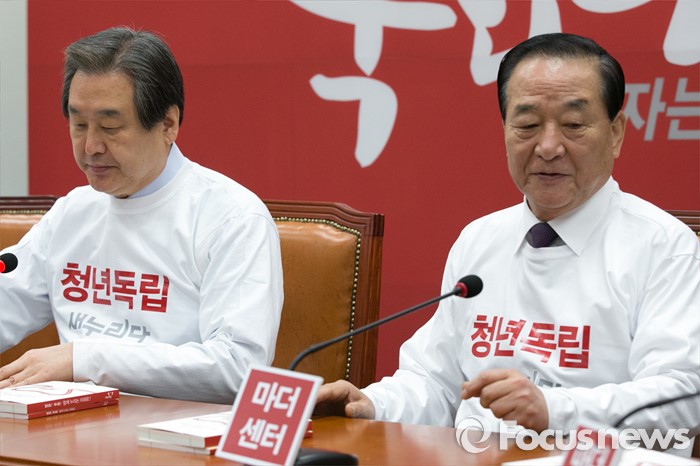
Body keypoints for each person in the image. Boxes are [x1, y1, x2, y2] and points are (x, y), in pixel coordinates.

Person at [315, 33, 700, 449]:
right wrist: (372, 404)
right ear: (505, 131)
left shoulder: (664, 247)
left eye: (573, 125)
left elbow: (682, 395)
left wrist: (553, 410)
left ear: (616, 133)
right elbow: (435, 383)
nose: (548, 147)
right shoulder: (480, 239)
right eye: (528, 126)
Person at [0, 27, 284, 404]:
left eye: (110, 127)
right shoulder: (73, 212)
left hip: (179, 431)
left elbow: (238, 368)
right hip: (68, 425)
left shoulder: (231, 218)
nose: (90, 146)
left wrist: (84, 360)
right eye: (79, 125)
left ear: (167, 125)